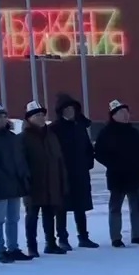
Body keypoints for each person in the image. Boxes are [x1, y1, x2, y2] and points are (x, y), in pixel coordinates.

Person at [0, 102, 32, 263]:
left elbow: (20, 159)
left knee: (13, 218)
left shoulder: (12, 137)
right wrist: (1, 176)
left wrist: (23, 175)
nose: (2, 119)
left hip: (15, 183)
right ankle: (1, 250)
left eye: (4, 116)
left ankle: (13, 247)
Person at [94, 100, 139, 247]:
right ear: (113, 115)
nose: (125, 116)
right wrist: (113, 164)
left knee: (136, 207)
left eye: (127, 113)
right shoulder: (106, 133)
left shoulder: (133, 132)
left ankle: (137, 235)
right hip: (116, 176)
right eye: (121, 113)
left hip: (134, 175)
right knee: (115, 208)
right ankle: (116, 237)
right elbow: (99, 153)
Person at [20, 101, 68, 257]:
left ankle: (51, 243)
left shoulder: (51, 135)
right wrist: (25, 182)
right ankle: (32, 247)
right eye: (36, 115)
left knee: (49, 214)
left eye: (42, 115)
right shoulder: (23, 138)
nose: (40, 118)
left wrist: (62, 180)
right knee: (32, 216)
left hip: (51, 182)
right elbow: (21, 163)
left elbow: (59, 159)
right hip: (33, 184)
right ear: (29, 118)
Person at [50, 93, 98, 249]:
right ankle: (62, 238)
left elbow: (87, 147)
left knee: (80, 206)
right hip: (62, 173)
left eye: (72, 109)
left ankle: (83, 237)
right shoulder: (55, 128)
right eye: (67, 109)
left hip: (80, 172)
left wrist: (88, 162)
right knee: (61, 207)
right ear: (61, 111)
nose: (70, 112)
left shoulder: (80, 127)